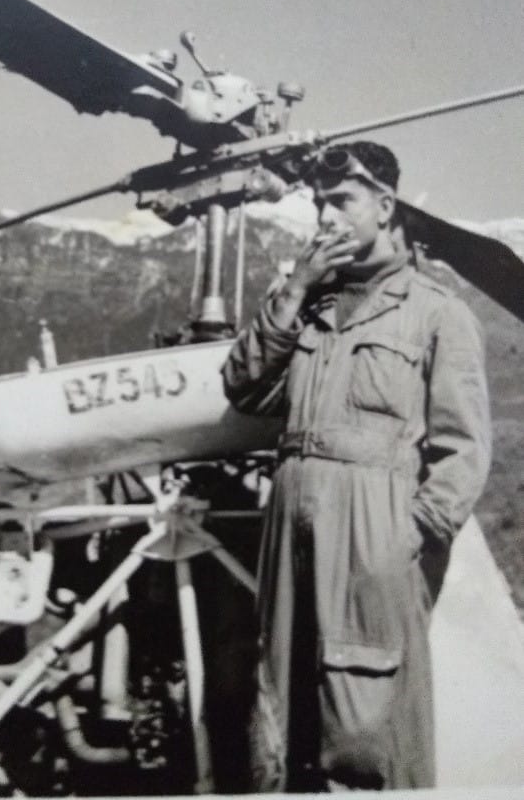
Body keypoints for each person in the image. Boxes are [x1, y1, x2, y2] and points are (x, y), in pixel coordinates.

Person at [221, 141, 491, 792]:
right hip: (291, 518)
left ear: (385, 206)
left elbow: (464, 447)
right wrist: (295, 288)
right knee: (279, 697)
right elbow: (243, 387)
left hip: (376, 525)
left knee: (364, 713)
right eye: (319, 203)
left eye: (341, 201)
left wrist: (410, 535)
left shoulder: (436, 313)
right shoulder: (308, 307)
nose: (325, 217)